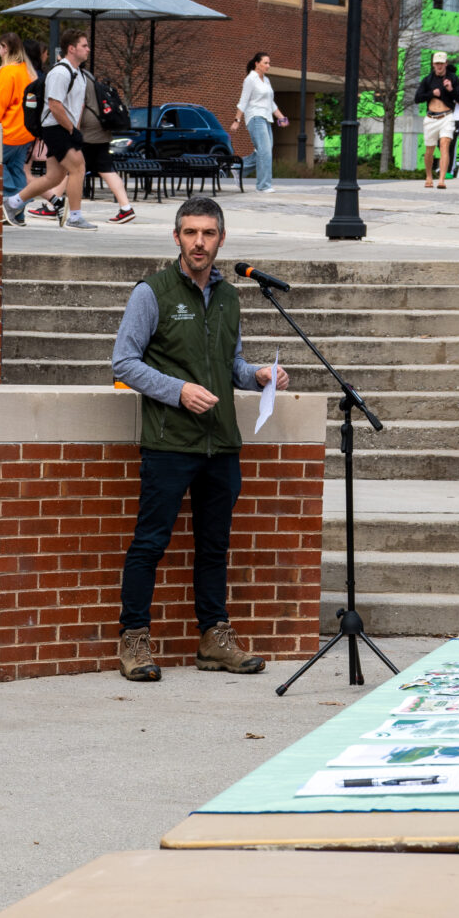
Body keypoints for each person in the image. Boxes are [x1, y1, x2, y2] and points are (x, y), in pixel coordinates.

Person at [112, 196, 290, 682]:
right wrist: (178, 391)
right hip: (170, 442)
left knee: (214, 546)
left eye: (208, 234)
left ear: (221, 239)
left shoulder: (230, 296)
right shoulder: (152, 292)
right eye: (190, 233)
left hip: (220, 443)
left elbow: (229, 365)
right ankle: (134, 640)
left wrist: (257, 374)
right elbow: (124, 362)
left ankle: (214, 639)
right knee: (150, 543)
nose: (199, 242)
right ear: (176, 238)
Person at [2, 28, 96, 232]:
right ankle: (75, 218)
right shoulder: (60, 72)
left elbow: (74, 107)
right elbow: (54, 104)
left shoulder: (78, 73)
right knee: (78, 167)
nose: (88, 49)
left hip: (62, 129)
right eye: (84, 45)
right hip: (56, 128)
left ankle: (12, 203)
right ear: (72, 48)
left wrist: (75, 130)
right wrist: (72, 131)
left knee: (54, 177)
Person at [0, 31, 36, 227]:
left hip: (7, 131)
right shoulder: (28, 73)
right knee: (17, 170)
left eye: (0, 47)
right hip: (25, 132)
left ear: (5, 48)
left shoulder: (7, 73)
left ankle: (9, 203)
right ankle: (19, 212)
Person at [80, 67, 136, 223]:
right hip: (101, 131)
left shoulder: (78, 78)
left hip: (88, 133)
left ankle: (54, 204)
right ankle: (126, 208)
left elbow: (80, 106)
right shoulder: (90, 78)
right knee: (106, 169)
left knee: (71, 169)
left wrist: (74, 130)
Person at [23, 39, 67, 221]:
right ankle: (54, 201)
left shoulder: (34, 77)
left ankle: (15, 205)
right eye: (44, 52)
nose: (47, 55)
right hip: (32, 130)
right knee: (24, 171)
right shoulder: (40, 75)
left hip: (24, 131)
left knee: (22, 171)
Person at [231, 52, 288, 193]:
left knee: (264, 151)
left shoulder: (266, 80)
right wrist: (237, 120)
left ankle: (238, 167)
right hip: (255, 117)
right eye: (265, 63)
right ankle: (263, 186)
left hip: (267, 118)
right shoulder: (250, 79)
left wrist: (281, 117)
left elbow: (271, 103)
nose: (268, 66)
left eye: (269, 63)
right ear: (257, 63)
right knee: (265, 152)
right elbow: (243, 101)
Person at [414, 51, 459, 189]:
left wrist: (450, 89)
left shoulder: (453, 79)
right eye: (437, 63)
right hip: (431, 118)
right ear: (433, 64)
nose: (439, 66)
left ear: (446, 64)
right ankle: (429, 177)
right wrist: (432, 93)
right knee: (429, 149)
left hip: (447, 116)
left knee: (445, 145)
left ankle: (442, 180)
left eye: (442, 63)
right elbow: (417, 98)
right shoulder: (428, 80)